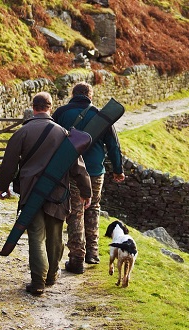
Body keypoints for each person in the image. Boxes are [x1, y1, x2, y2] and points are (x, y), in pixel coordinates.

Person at [0, 92, 92, 295]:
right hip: (57, 193)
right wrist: (87, 192)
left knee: (36, 236)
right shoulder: (63, 133)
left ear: (34, 107)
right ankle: (51, 275)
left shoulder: (22, 132)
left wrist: (3, 186)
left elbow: (8, 164)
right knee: (55, 236)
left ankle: (38, 281)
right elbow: (78, 167)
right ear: (50, 107)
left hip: (31, 192)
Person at [52, 82, 125, 274]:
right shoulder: (101, 116)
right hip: (94, 171)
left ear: (73, 94)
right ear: (90, 96)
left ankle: (77, 257)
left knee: (75, 211)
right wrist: (118, 170)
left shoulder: (61, 113)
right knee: (93, 208)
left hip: (71, 170)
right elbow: (114, 146)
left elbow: (51, 139)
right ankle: (92, 252)